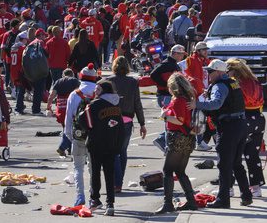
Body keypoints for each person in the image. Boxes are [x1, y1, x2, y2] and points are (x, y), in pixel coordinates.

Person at [196, 59, 253, 209]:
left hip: (228, 127)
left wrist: (197, 104)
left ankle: (223, 199)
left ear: (220, 72)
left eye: (211, 71)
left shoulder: (220, 85)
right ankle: (246, 195)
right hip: (240, 125)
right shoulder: (232, 83)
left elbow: (216, 104)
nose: (208, 74)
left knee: (224, 165)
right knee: (236, 164)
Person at [80, 79, 124, 216]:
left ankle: (95, 199)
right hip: (111, 144)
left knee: (95, 172)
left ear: (104, 91)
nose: (95, 91)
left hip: (96, 143)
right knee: (109, 174)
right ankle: (110, 203)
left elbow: (83, 122)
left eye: (98, 90)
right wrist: (118, 144)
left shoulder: (93, 105)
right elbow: (120, 127)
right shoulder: (116, 106)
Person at [155, 73, 198, 214]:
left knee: (167, 171)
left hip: (178, 138)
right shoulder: (188, 99)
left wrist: (165, 116)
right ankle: (191, 201)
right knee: (180, 171)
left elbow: (179, 120)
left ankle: (168, 204)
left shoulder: (179, 100)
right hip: (187, 138)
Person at [226, 58, 265, 198]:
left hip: (243, 118)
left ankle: (228, 187)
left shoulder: (236, 83)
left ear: (234, 71)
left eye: (228, 70)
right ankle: (256, 188)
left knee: (231, 154)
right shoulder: (255, 81)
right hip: (259, 118)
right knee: (252, 155)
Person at [107, 56, 146, 193]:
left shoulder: (108, 81)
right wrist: (142, 123)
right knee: (122, 151)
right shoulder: (133, 82)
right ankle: (119, 183)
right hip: (127, 120)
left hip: (111, 119)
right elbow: (137, 103)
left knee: (113, 152)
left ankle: (115, 182)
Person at [64, 63, 98, 207]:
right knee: (93, 168)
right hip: (95, 136)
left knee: (78, 167)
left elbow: (68, 117)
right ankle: (93, 195)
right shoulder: (99, 93)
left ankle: (80, 196)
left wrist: (69, 135)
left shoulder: (75, 94)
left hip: (78, 136)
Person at [47, 68, 80, 157]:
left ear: (63, 75)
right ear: (72, 74)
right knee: (71, 128)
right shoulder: (75, 81)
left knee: (65, 127)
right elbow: (79, 93)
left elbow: (51, 96)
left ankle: (69, 149)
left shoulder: (58, 82)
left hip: (61, 107)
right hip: (71, 106)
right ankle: (62, 147)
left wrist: (48, 107)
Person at [10, 31, 28, 115]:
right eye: (26, 39)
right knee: (21, 90)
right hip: (19, 70)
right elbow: (24, 60)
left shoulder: (13, 47)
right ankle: (18, 107)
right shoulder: (23, 48)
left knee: (18, 89)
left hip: (13, 69)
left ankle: (20, 106)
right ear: (23, 39)